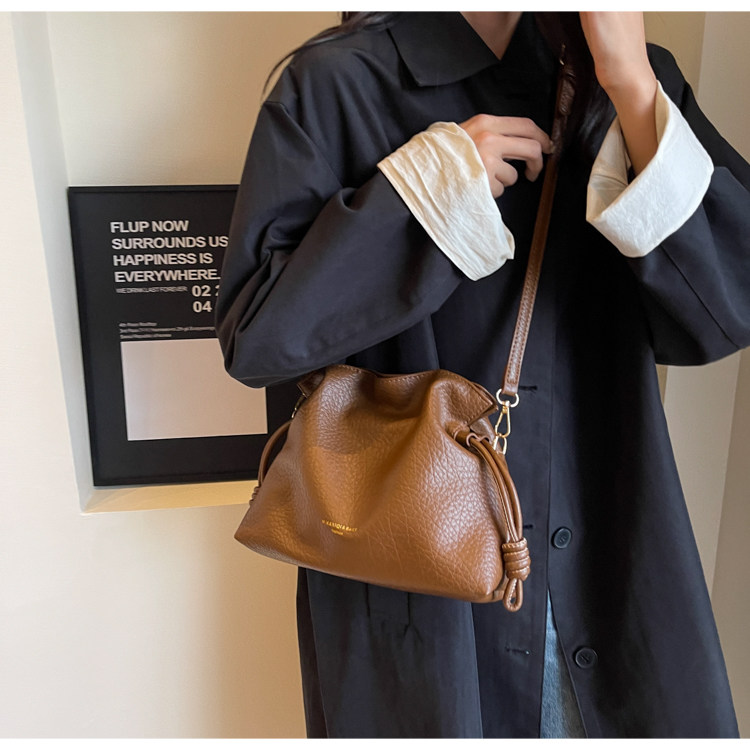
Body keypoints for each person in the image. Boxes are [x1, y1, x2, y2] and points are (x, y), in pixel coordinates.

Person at [215, 11, 750, 738]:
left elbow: (729, 307)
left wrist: (631, 84)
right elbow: (259, 338)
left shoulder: (621, 75)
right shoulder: (340, 84)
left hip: (609, 552)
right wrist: (428, 194)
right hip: (418, 594)